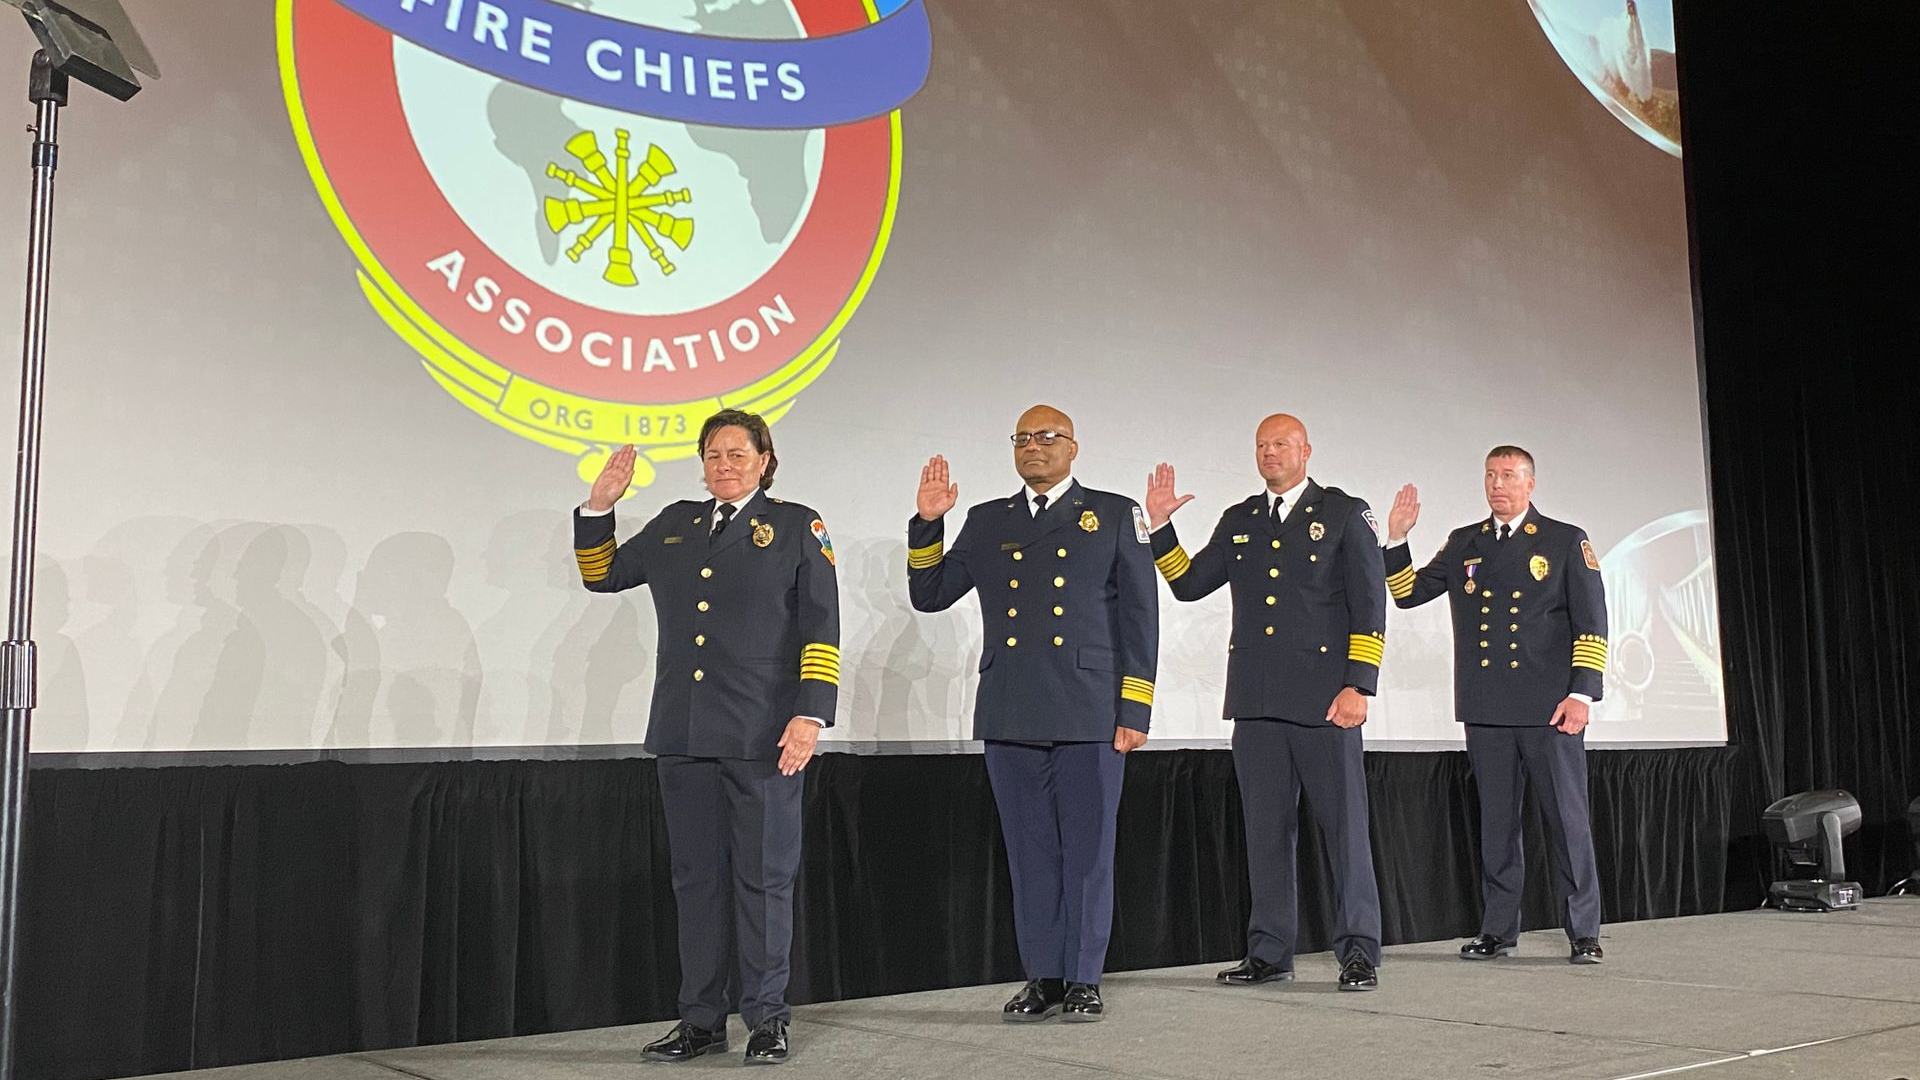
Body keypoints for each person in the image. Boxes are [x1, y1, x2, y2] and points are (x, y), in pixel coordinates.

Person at [573, 410, 840, 1064]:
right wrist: (598, 506)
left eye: (738, 454)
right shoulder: (674, 526)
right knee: (696, 883)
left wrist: (810, 714)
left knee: (763, 881)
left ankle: (768, 1019)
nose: (725, 464)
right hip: (684, 731)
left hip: (762, 734)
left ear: (764, 461)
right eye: (714, 454)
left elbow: (821, 624)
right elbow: (602, 572)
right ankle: (699, 1021)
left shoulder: (795, 526)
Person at [907, 404, 1158, 1023]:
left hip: (1089, 709)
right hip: (1013, 707)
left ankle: (1084, 978)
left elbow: (1139, 616)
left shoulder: (1116, 513)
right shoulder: (990, 519)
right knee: (1029, 852)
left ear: (1075, 447)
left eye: (1047, 437)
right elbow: (930, 593)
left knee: (1089, 852)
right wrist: (928, 525)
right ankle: (1043, 976)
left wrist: (1135, 707)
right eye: (1022, 438)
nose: (1033, 447)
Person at [1144, 414, 1386, 991]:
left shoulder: (1344, 513)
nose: (1270, 453)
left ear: (1306, 451)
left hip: (1327, 701)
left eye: (1281, 444)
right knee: (1266, 832)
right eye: (1261, 445)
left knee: (1344, 832)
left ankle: (1358, 951)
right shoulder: (1240, 519)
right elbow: (1190, 583)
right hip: (1256, 702)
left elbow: (1369, 603)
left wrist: (1360, 685)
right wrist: (1160, 528)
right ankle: (1270, 951)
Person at [1383, 445, 1608, 964]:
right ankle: (1498, 929)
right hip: (1486, 708)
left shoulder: (1563, 540)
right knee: (1498, 826)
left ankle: (1584, 932)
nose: (1497, 485)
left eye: (1508, 476)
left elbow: (1592, 623)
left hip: (1549, 708)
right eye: (1490, 476)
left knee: (1566, 822)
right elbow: (1408, 593)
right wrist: (1397, 539)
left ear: (1530, 483)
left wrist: (1580, 693)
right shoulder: (1467, 541)